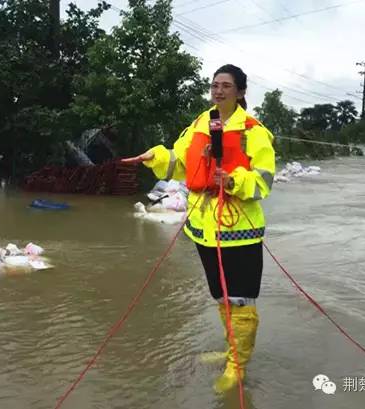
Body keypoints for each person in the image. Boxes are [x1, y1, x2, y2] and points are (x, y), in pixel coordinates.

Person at [122, 64, 275, 393]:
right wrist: (155, 157)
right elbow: (178, 162)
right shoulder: (199, 124)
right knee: (220, 295)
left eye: (226, 85)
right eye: (215, 85)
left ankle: (238, 364)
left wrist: (233, 180)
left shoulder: (253, 131)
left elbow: (264, 181)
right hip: (204, 226)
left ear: (241, 92)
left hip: (240, 229)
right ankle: (231, 347)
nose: (218, 90)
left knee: (239, 299)